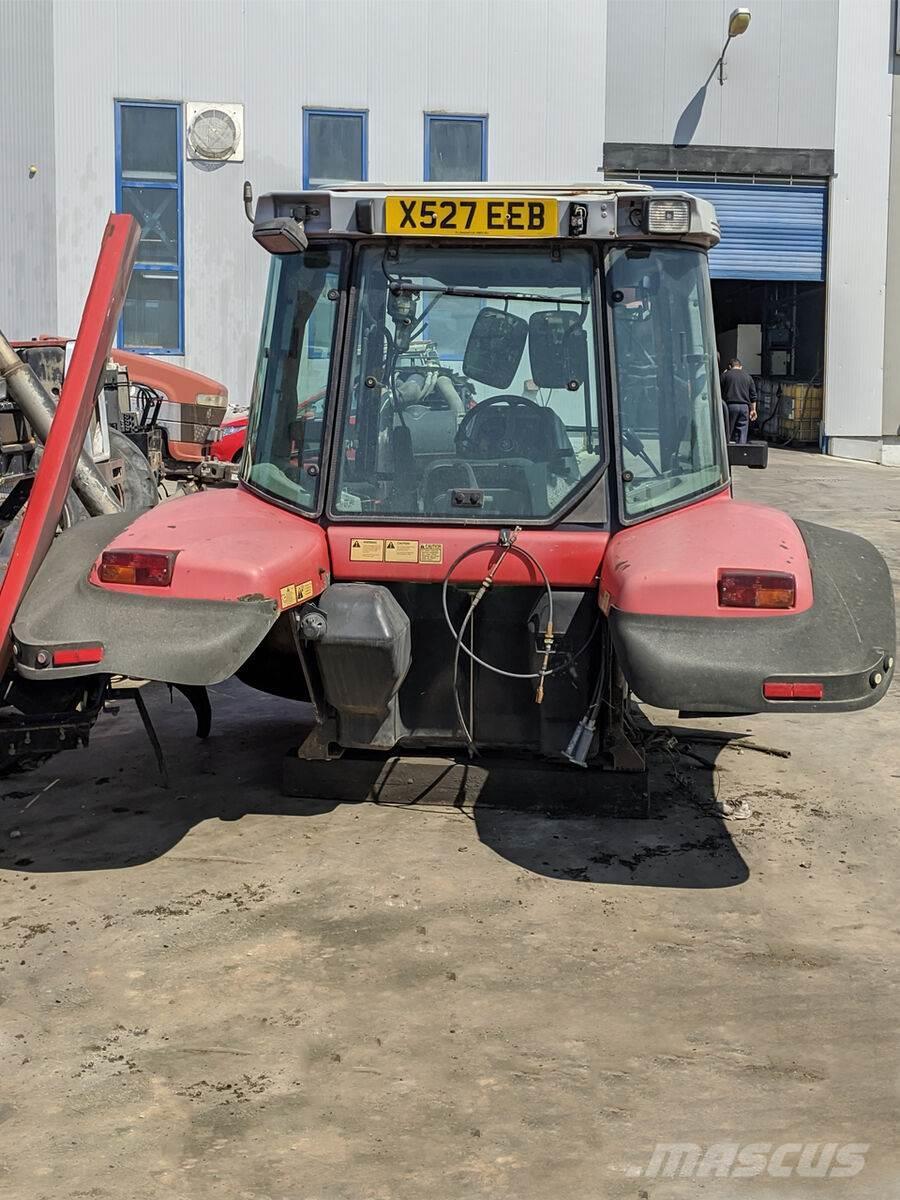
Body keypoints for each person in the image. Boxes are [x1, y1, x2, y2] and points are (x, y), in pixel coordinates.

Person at [720, 358, 757, 444]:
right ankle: (741, 452)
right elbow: (753, 396)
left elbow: (718, 392)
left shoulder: (725, 375)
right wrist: (753, 410)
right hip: (744, 408)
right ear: (741, 367)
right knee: (742, 433)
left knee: (727, 431)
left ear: (730, 366)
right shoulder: (748, 377)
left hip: (729, 407)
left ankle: (726, 451)